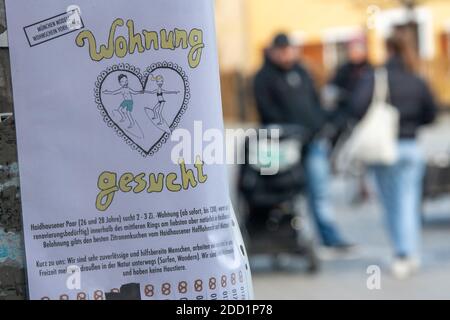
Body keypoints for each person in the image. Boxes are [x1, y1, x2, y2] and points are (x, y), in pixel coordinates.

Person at [350, 29, 438, 278]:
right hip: (411, 147)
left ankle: (402, 253)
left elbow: (357, 106)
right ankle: (410, 252)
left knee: (392, 204)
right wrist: (411, 122)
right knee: (409, 203)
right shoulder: (416, 78)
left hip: (384, 148)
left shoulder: (378, 76)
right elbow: (430, 112)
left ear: (388, 49)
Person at [253, 33, 353, 250]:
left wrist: (322, 124)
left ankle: (329, 238)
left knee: (319, 191)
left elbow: (314, 104)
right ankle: (290, 236)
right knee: (284, 195)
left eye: (289, 49)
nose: (286, 54)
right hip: (284, 146)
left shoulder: (302, 72)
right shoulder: (264, 77)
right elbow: (267, 112)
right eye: (282, 50)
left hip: (312, 142)